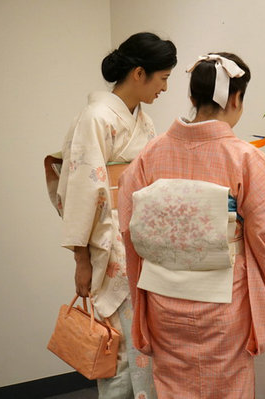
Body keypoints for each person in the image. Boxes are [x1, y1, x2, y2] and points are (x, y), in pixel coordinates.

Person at [117, 52, 265, 398]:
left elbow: (129, 224)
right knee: (228, 385)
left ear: (191, 97)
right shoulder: (242, 156)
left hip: (164, 299)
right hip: (221, 301)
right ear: (235, 99)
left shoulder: (151, 154)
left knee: (173, 385)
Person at [52, 32, 177, 399]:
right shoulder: (96, 117)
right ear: (139, 73)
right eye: (163, 78)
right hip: (110, 246)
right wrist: (81, 259)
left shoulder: (145, 121)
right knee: (119, 348)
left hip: (142, 243)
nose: (165, 87)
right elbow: (82, 189)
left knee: (145, 342)